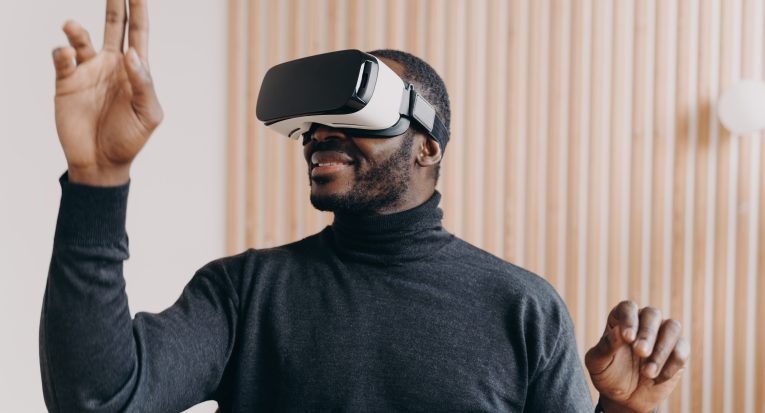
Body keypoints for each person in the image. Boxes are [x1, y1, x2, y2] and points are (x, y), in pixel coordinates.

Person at [41, 1, 689, 412]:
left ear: (428, 145)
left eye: (353, 111)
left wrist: (627, 411)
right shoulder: (243, 293)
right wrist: (99, 179)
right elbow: (95, 398)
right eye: (312, 122)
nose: (320, 133)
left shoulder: (522, 308)